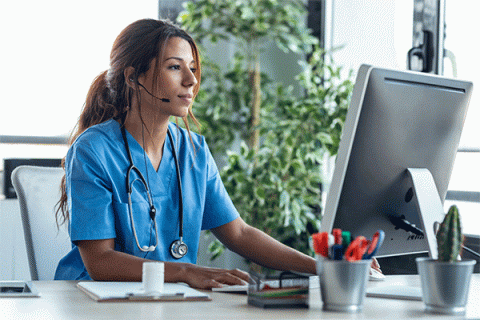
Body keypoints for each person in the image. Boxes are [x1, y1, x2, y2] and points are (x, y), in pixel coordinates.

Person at [54, 18, 380, 289]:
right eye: (174, 67)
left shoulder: (193, 150)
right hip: (96, 301)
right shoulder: (94, 150)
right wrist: (184, 271)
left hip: (169, 301)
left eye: (193, 68)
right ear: (133, 76)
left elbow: (238, 233)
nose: (192, 80)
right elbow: (99, 262)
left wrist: (323, 267)